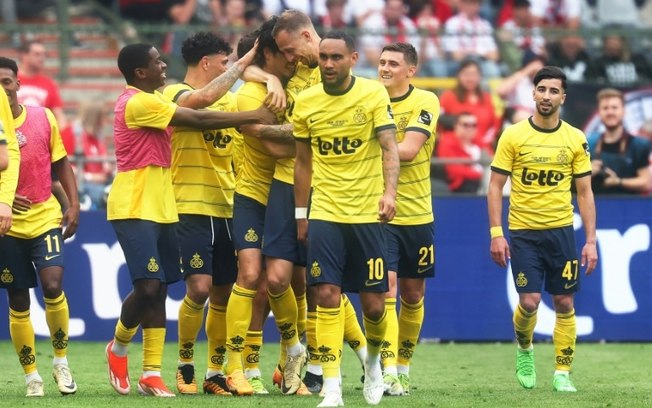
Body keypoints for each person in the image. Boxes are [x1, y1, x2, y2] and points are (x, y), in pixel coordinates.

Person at [104, 42, 274, 398]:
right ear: (140, 73)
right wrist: (252, 114)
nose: (163, 65)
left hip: (166, 204)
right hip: (134, 204)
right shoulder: (138, 101)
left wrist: (252, 74)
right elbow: (196, 117)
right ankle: (119, 347)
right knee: (149, 286)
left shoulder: (157, 99)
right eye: (156, 62)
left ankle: (151, 373)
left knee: (161, 288)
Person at [293, 31, 399, 407]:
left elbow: (389, 147)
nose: (328, 64)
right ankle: (332, 388)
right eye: (323, 57)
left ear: (353, 58)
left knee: (374, 305)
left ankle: (372, 364)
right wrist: (301, 213)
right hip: (326, 212)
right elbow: (302, 162)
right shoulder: (306, 103)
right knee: (325, 294)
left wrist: (390, 193)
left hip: (367, 215)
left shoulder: (372, 94)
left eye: (336, 57)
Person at [273, 9, 370, 394]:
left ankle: (363, 359)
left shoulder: (351, 83)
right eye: (282, 52)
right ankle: (305, 360)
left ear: (308, 36)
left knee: (331, 288)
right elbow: (297, 151)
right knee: (293, 281)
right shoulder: (291, 77)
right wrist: (264, 75)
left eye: (291, 49)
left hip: (348, 200)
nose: (291, 58)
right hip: (293, 192)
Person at [488, 65, 598, 393]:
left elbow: (584, 192)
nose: (546, 96)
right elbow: (495, 187)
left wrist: (590, 240)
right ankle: (525, 348)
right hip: (523, 232)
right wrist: (496, 233)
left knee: (565, 303)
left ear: (563, 97)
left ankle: (562, 372)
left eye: (553, 91)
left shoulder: (576, 139)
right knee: (531, 302)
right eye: (541, 89)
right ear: (533, 93)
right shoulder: (514, 135)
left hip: (561, 231)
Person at [161, 31, 258, 396]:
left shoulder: (233, 105)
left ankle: (214, 371)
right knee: (198, 288)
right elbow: (201, 100)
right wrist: (246, 62)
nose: (229, 68)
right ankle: (185, 363)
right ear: (206, 63)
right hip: (188, 206)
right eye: (224, 62)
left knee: (222, 294)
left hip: (228, 206)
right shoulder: (172, 94)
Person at [222, 18, 297, 396]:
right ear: (269, 54)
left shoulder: (298, 77)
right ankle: (239, 366)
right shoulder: (249, 94)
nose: (292, 57)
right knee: (250, 276)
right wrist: (315, 134)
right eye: (284, 52)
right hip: (253, 193)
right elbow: (274, 146)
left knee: (287, 282)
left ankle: (288, 366)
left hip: (291, 193)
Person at [0, 56, 80, 397]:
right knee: (19, 300)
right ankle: (31, 374)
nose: (2, 89)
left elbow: (60, 164)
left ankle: (61, 361)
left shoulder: (42, 117)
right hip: (8, 226)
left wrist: (72, 205)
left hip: (44, 215)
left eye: (6, 81)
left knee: (52, 285)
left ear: (18, 84)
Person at [376, 42, 439, 397]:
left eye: (393, 64)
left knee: (414, 296)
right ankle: (386, 370)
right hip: (382, 212)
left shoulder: (425, 101)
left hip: (418, 214)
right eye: (382, 62)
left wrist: (368, 143)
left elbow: (411, 150)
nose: (385, 68)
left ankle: (403, 367)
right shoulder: (370, 98)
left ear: (410, 70)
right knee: (387, 288)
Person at [588, 88, 651, 195]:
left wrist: (618, 182)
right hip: (595, 205)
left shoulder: (639, 145)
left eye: (614, 107)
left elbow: (646, 183)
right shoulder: (588, 143)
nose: (610, 112)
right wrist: (587, 172)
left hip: (627, 207)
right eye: (605, 108)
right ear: (599, 113)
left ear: (624, 111)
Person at [16, 41, 73, 154]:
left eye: (44, 54)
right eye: (37, 54)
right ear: (24, 55)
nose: (42, 58)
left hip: (39, 145)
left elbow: (59, 116)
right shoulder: (9, 80)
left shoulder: (48, 84)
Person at [439, 58, 500, 152]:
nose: (470, 78)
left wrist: (484, 142)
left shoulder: (487, 98)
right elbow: (439, 121)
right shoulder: (448, 96)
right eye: (466, 74)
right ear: (459, 75)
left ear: (480, 76)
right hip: (456, 149)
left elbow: (494, 124)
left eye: (474, 74)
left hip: (483, 149)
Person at [70, 100, 113, 209]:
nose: (106, 121)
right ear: (94, 118)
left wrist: (108, 169)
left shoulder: (98, 137)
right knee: (103, 195)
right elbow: (65, 166)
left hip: (101, 183)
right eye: (103, 117)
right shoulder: (73, 135)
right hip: (82, 186)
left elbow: (105, 165)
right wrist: (89, 177)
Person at [437, 112, 486, 193]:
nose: (470, 128)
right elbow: (452, 168)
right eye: (465, 125)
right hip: (460, 185)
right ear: (456, 126)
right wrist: (478, 174)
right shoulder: (447, 141)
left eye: (473, 125)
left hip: (482, 182)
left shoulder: (479, 142)